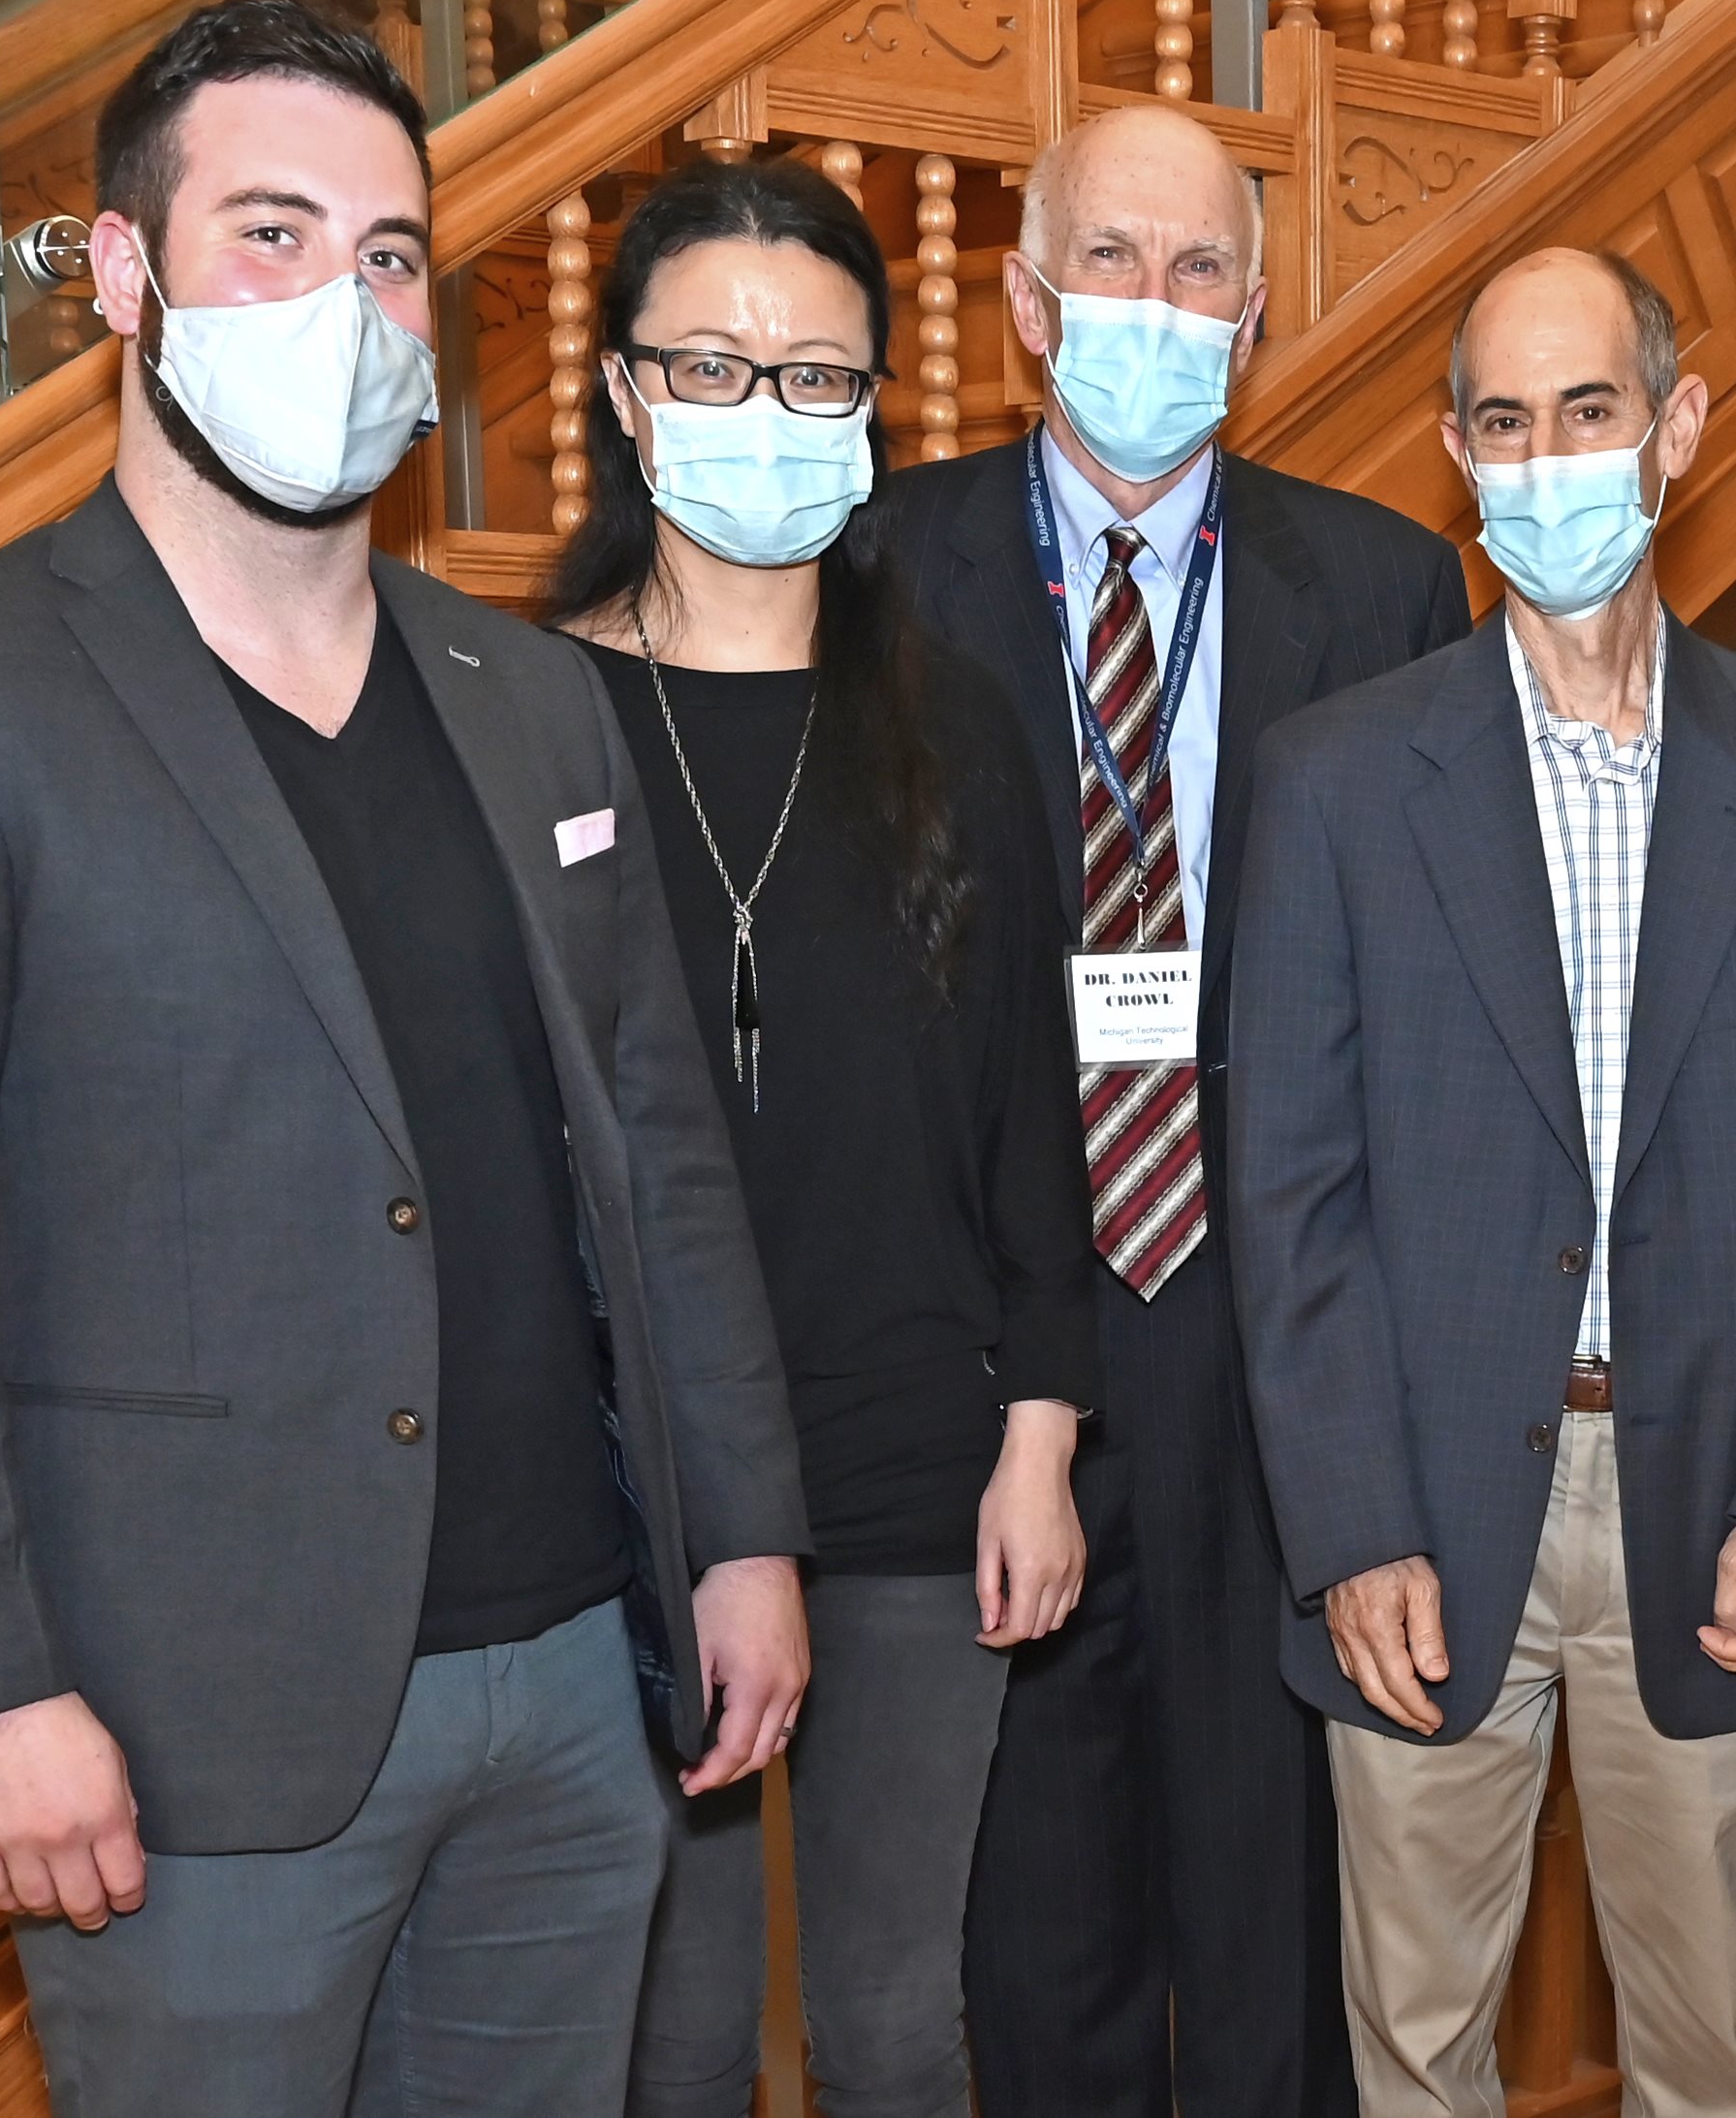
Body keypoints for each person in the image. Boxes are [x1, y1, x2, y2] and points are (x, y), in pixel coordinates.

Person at [0, 0, 813, 2114]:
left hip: (577, 1686)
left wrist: (744, 1530)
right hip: (181, 1734)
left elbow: (659, 1150)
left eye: (391, 250)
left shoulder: (528, 697)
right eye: (270, 232)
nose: (344, 297)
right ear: (125, 276)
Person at [1230, 246, 1736, 2117]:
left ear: (1676, 428)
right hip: (1420, 1510)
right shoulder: (1333, 782)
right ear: (1459, 454)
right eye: (1505, 423)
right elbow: (1285, 1195)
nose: (1548, 460)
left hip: (1715, 1509)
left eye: (1590, 411)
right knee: (1418, 2049)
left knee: (1711, 2053)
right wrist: (1349, 1518)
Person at [874, 100, 1468, 2118]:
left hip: (1275, 1337)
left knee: (1280, 1903)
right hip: (991, 1354)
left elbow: (1427, 1005)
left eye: (1200, 269)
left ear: (1257, 314)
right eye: (1111, 263)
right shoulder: (876, 568)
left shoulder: (1383, 588)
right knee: (1033, 1928)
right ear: (1030, 299)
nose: (1155, 304)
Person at [539, 156, 1099, 2118]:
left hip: (918, 1481)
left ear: (874, 408)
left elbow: (1040, 1122)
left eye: (815, 377)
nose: (762, 415)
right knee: (671, 2043)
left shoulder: (958, 729)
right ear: (622, 391)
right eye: (712, 363)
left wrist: (1040, 1441)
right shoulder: (524, 723)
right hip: (633, 1495)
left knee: (884, 2022)